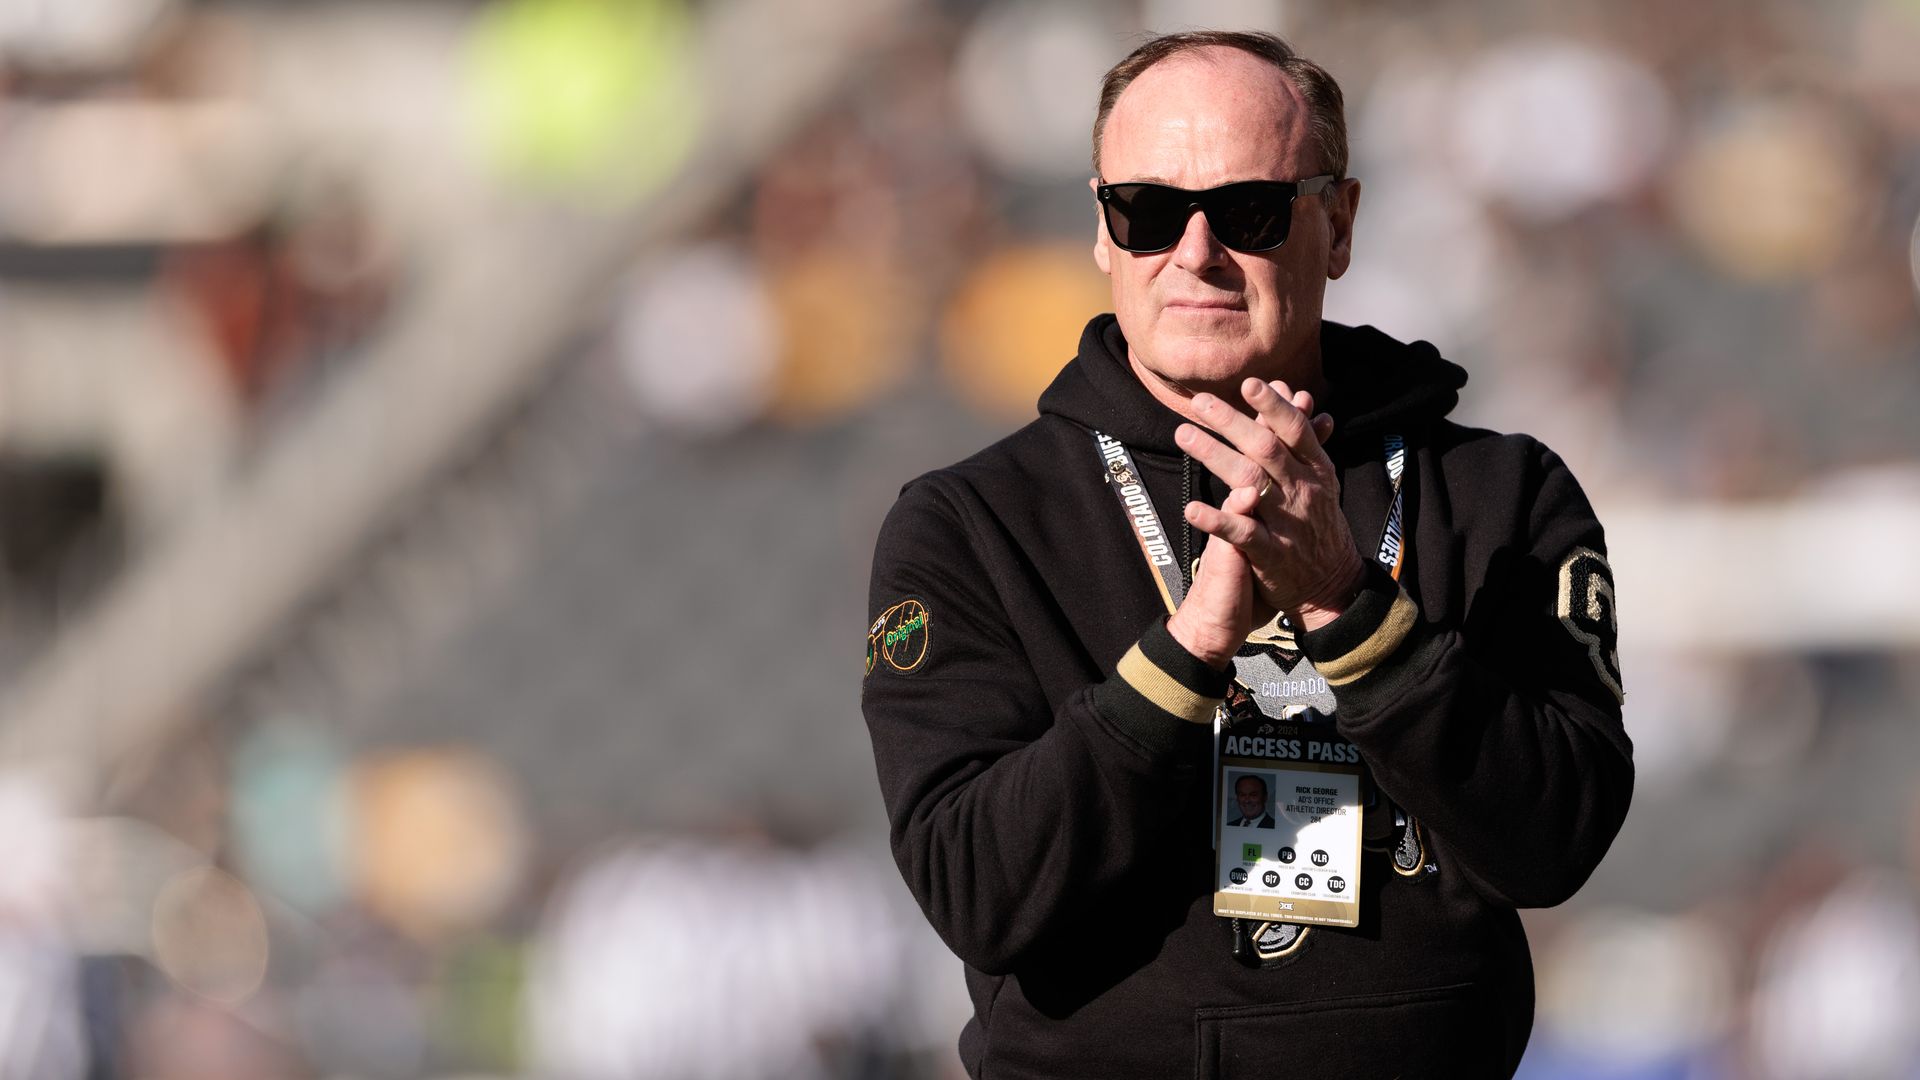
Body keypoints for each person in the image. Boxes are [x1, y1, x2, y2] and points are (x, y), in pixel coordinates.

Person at [861, 29, 1632, 1079]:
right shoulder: (969, 524)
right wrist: (1185, 657)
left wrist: (1351, 609)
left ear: (1339, 224)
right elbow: (978, 892)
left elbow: (1555, 843)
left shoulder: (1503, 493)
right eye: (1147, 210)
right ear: (1101, 230)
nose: (1194, 252)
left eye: (1249, 211)